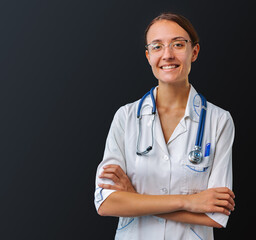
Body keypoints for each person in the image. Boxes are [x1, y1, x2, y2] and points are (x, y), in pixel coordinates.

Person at [94, 12, 235, 239]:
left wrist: (135, 197)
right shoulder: (126, 117)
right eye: (157, 47)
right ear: (148, 56)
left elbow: (215, 216)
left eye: (178, 44)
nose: (167, 55)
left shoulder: (219, 121)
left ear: (194, 52)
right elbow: (106, 203)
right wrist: (189, 202)